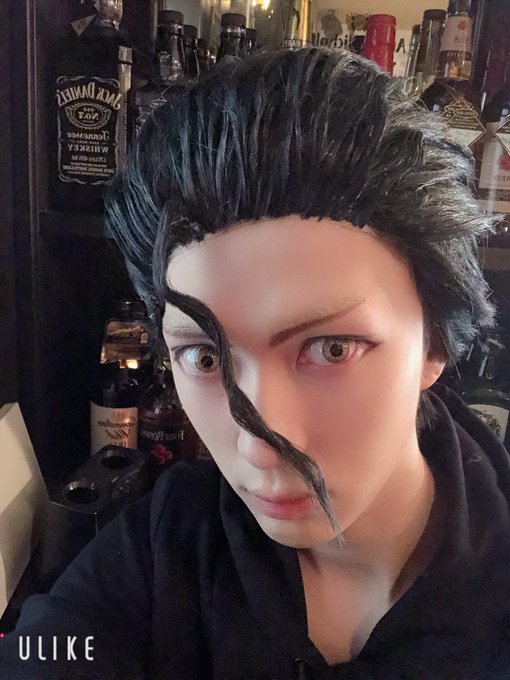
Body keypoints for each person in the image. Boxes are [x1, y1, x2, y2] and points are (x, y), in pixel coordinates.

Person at [1, 46, 510, 680]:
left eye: (330, 349)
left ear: (434, 343)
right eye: (205, 356)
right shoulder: (165, 546)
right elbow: (42, 652)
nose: (261, 446)